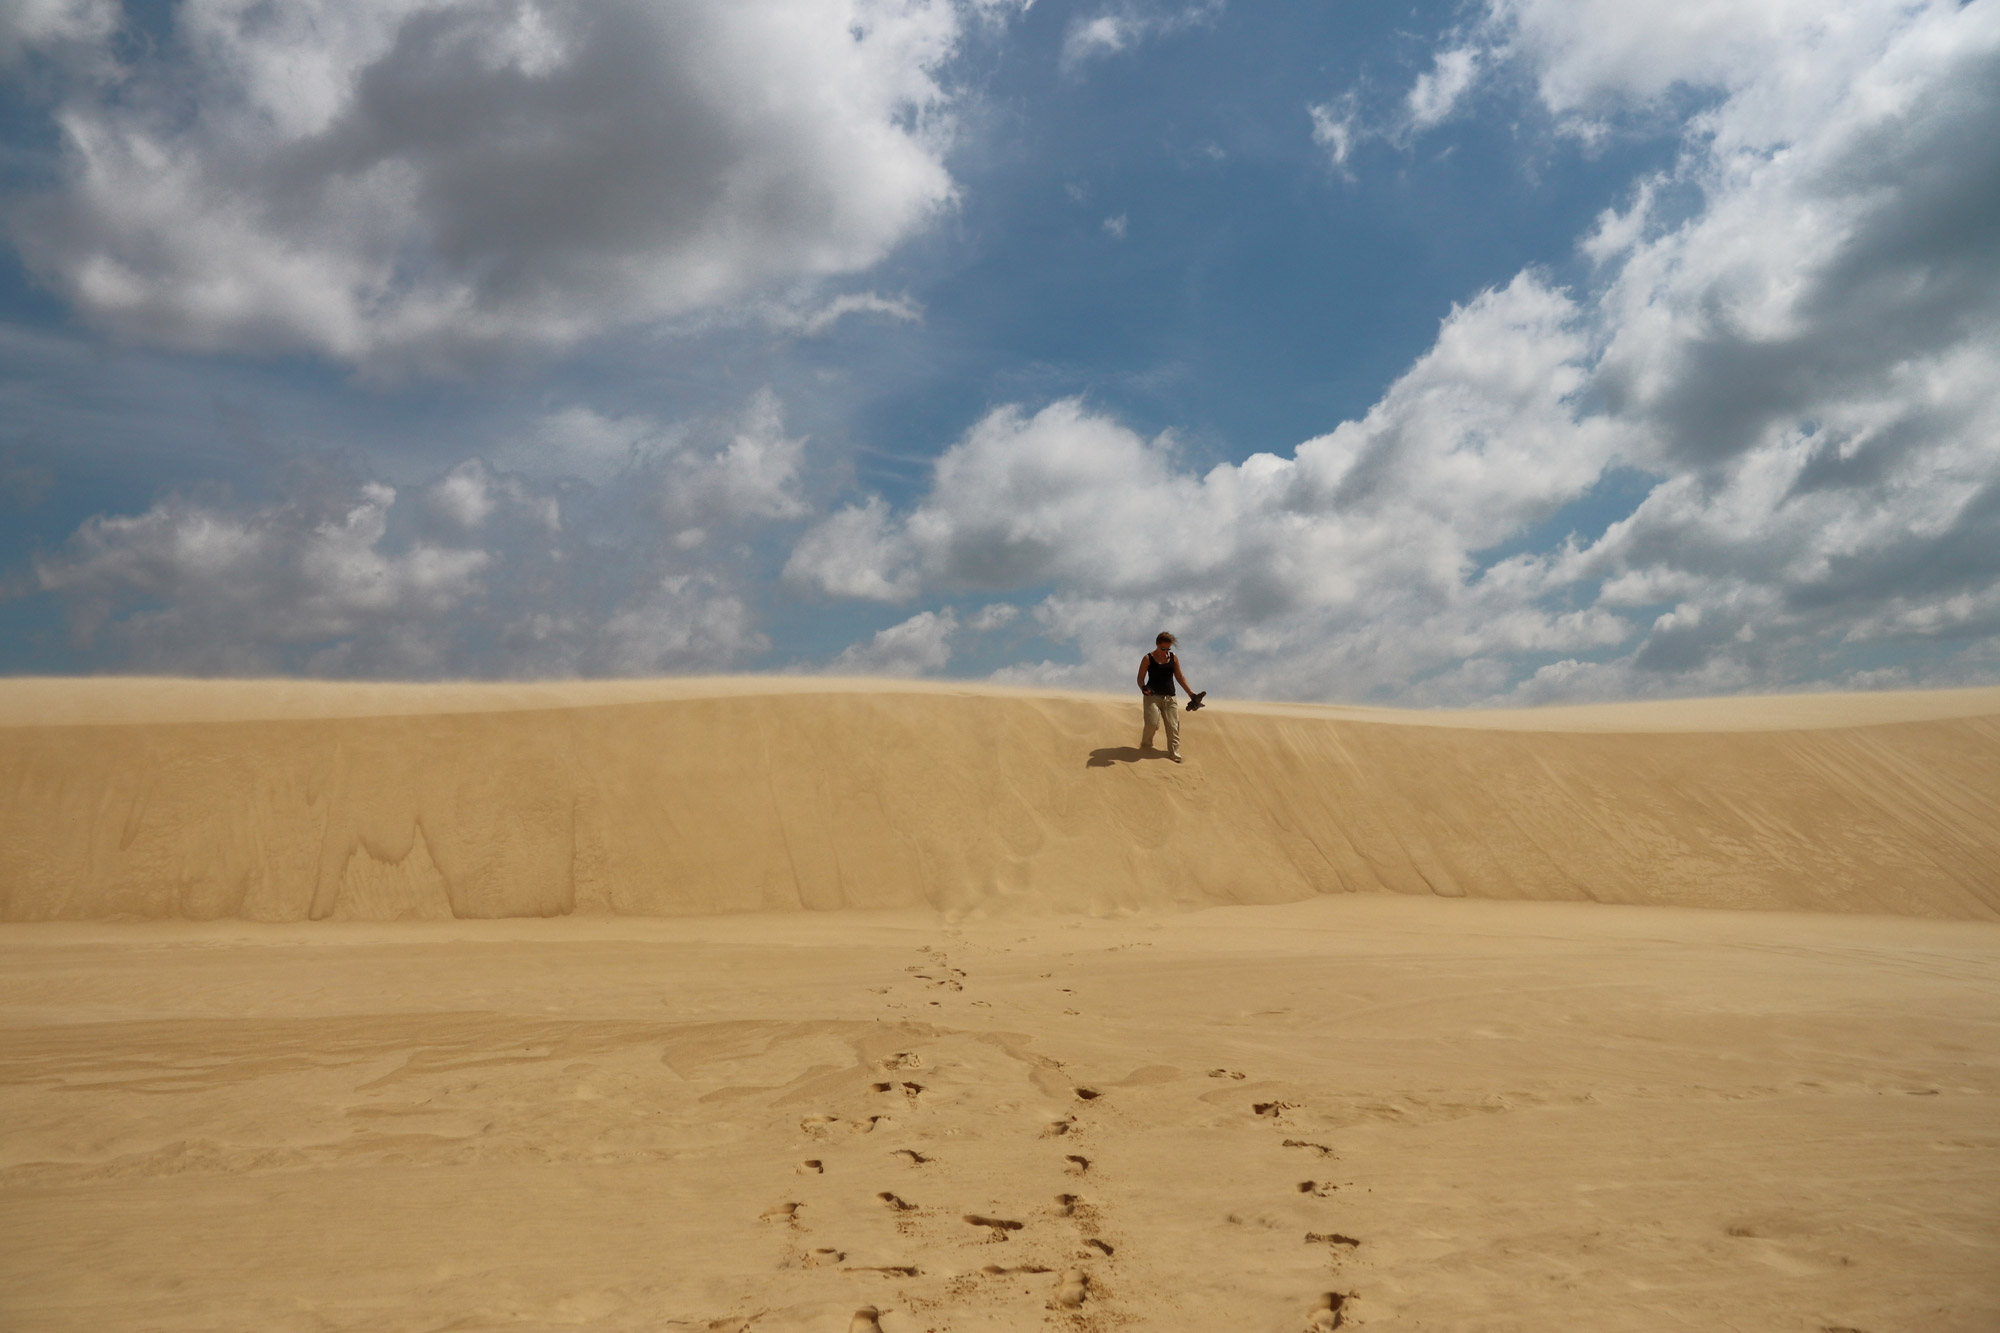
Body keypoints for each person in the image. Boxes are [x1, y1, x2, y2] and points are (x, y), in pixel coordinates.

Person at [1136, 631, 1197, 762]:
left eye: (1168, 648)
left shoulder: (1173, 657)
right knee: (1152, 724)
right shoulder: (1148, 658)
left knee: (1173, 726)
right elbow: (1140, 678)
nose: (1165, 651)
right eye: (1163, 648)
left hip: (1170, 698)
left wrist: (1190, 693)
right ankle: (1146, 746)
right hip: (1152, 697)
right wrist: (1143, 688)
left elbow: (1180, 677)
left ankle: (1174, 754)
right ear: (1157, 644)